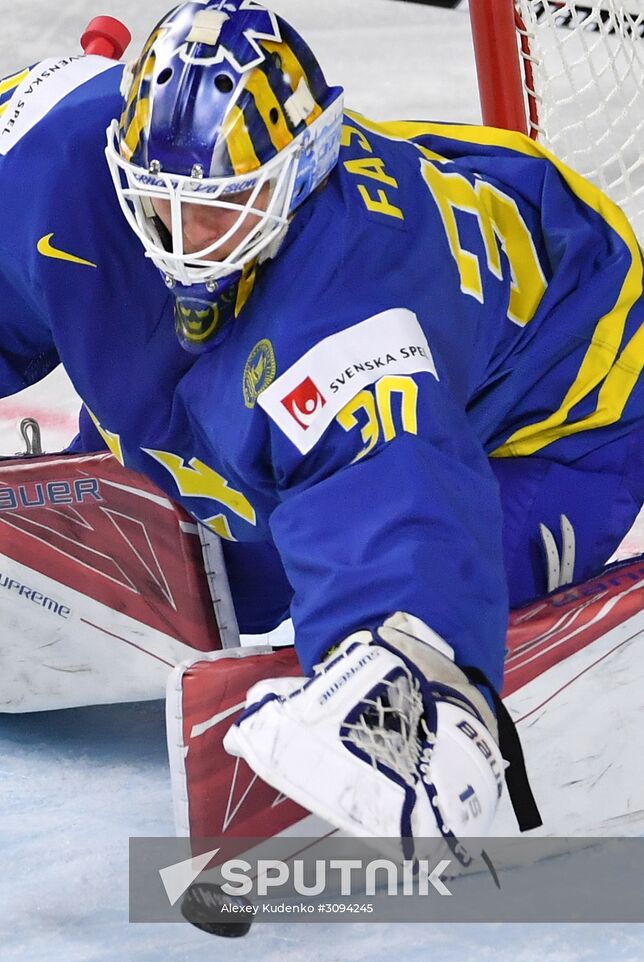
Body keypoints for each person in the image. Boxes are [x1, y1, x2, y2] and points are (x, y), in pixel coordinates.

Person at [0, 0, 642, 856]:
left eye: (223, 206)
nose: (189, 239)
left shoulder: (355, 299)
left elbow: (389, 493)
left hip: (568, 401)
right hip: (407, 257)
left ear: (301, 169)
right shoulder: (52, 155)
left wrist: (401, 677)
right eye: (162, 203)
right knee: (173, 362)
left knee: (358, 534)